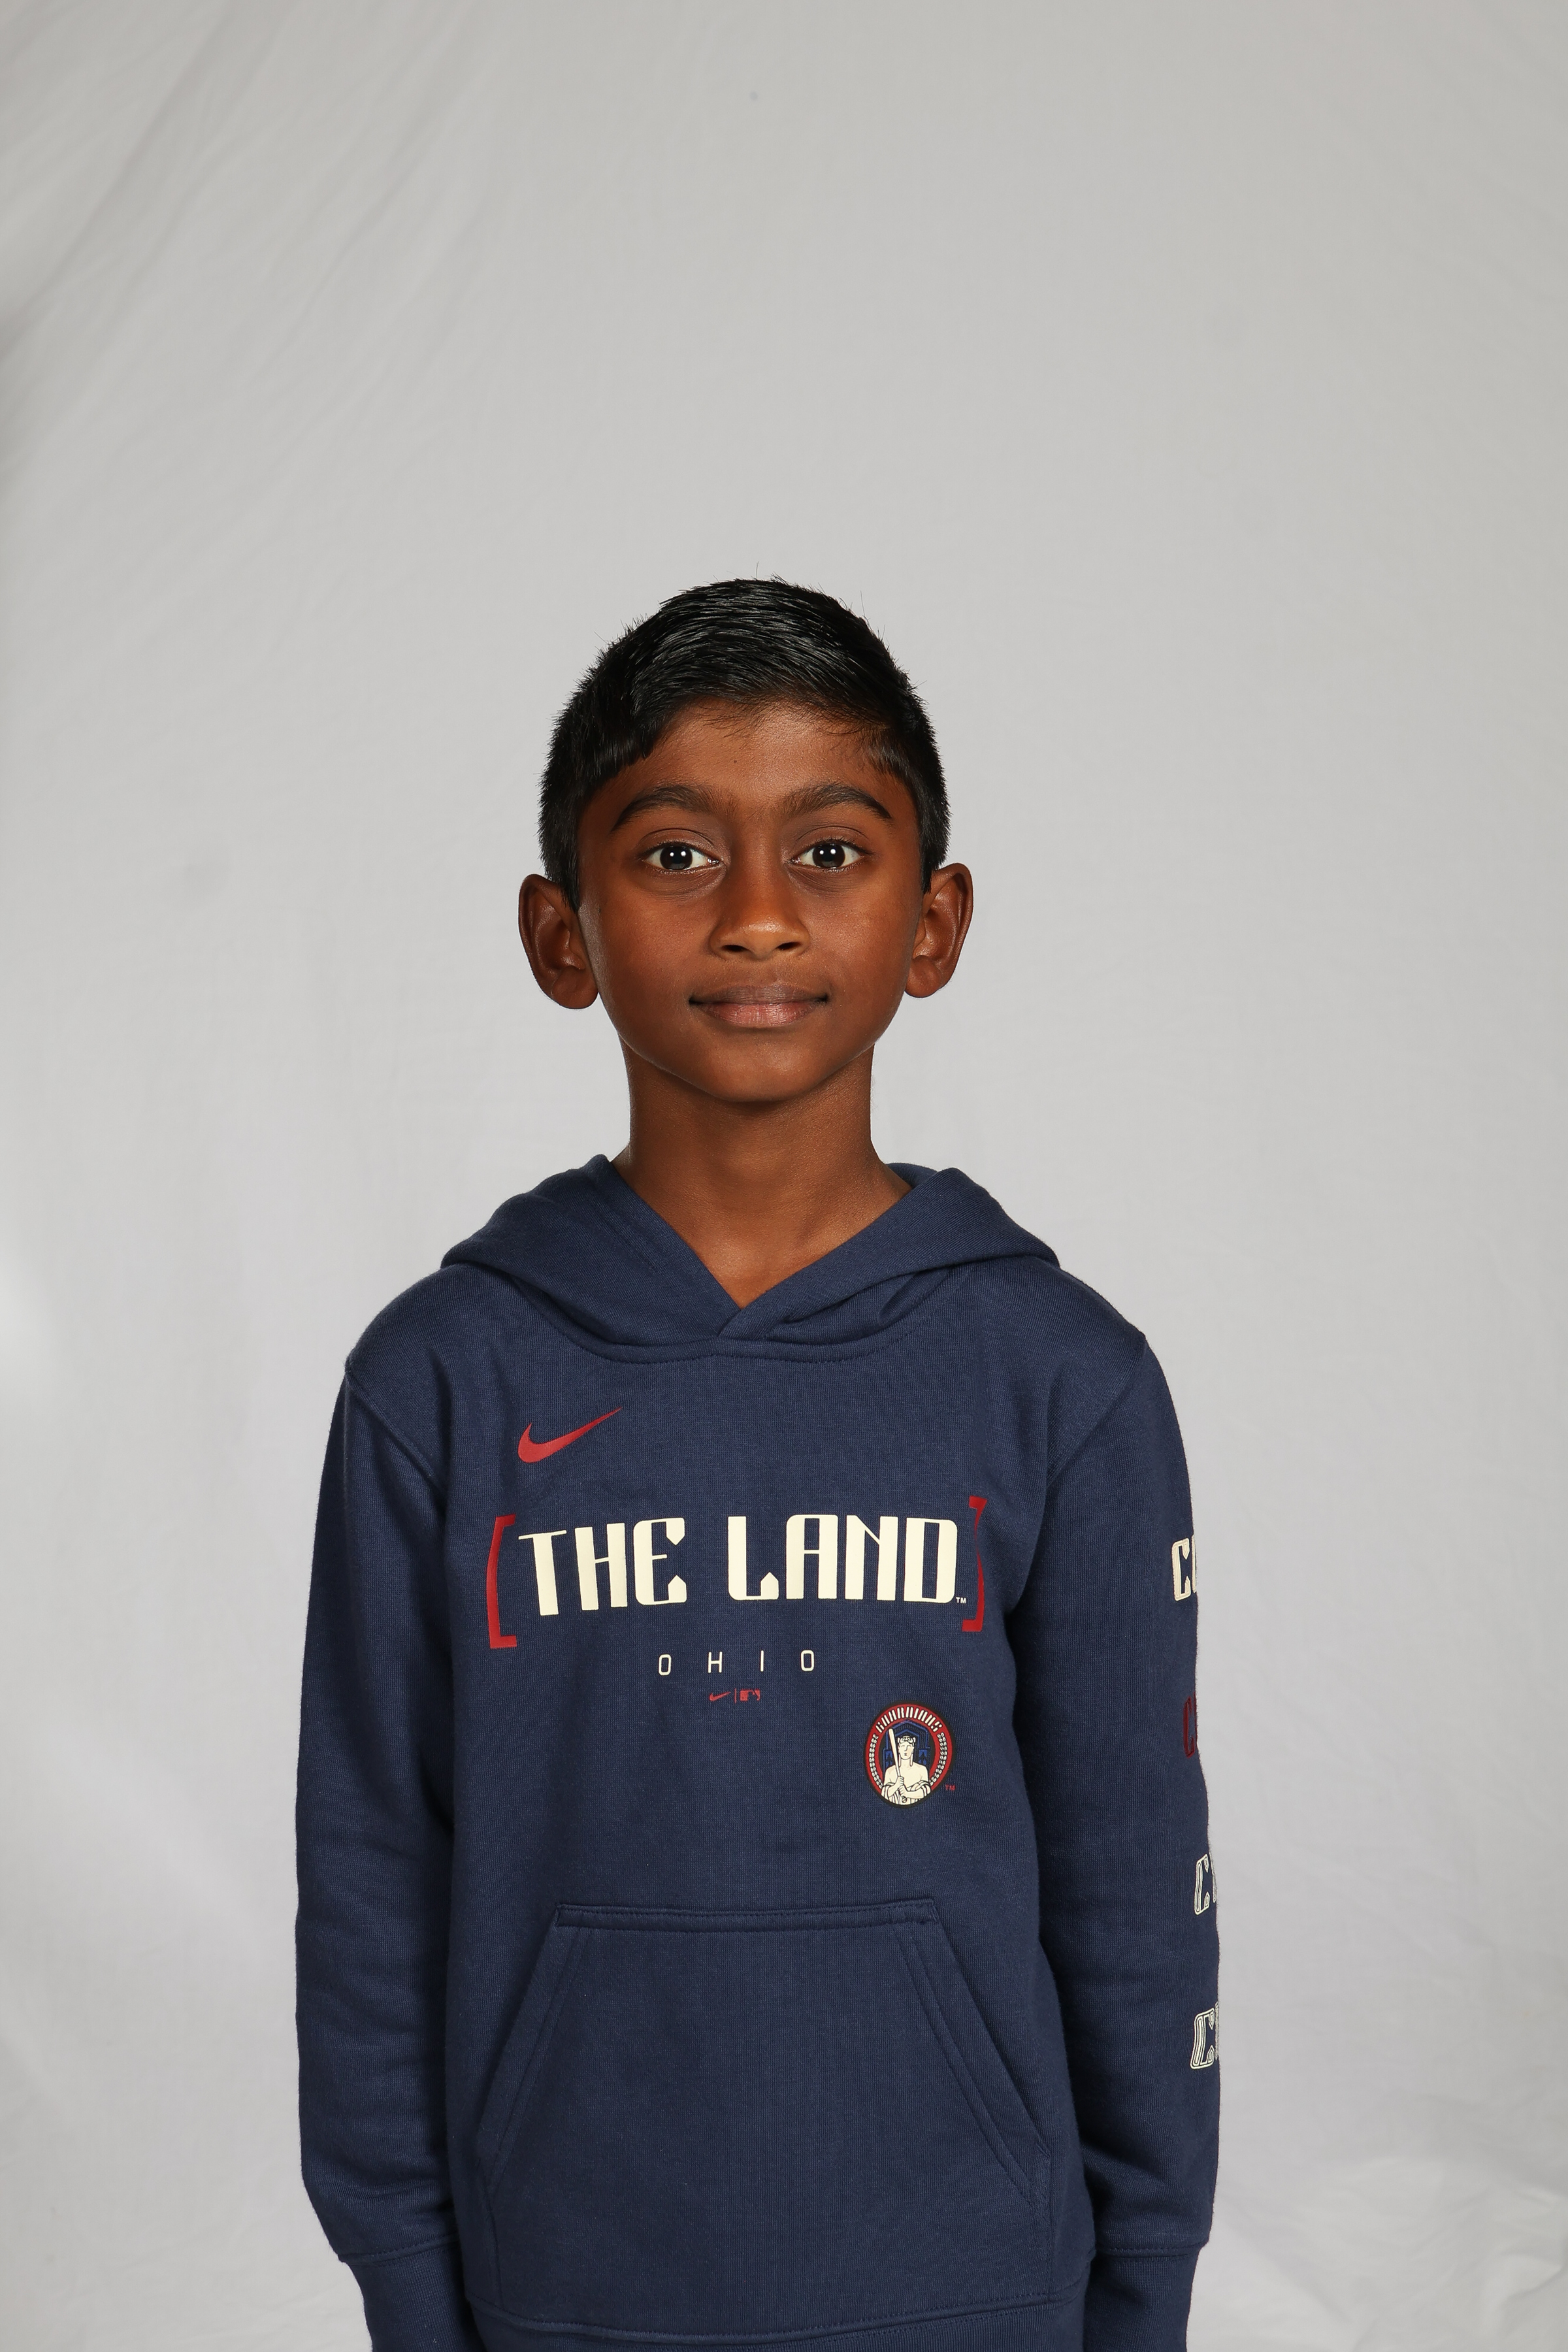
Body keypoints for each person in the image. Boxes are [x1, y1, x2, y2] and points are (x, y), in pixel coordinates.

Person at [296, 579, 1219, 2352]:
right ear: (560, 934)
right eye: (674, 855)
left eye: (830, 851)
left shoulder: (1064, 1381)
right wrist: (410, 2288)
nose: (758, 917)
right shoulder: (442, 1383)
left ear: (933, 922)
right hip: (563, 2283)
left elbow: (1135, 1889)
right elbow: (368, 1889)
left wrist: (1144, 2295)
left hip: (976, 2287)